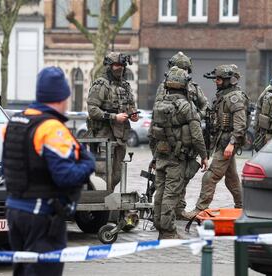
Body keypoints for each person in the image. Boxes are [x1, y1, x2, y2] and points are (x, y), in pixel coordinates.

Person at [3, 67, 95, 276]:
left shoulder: (15, 122)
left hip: (15, 212)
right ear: (60, 98)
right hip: (41, 216)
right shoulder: (51, 128)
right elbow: (65, 176)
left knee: (23, 271)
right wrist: (88, 163)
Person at [184, 64, 250, 219]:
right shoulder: (224, 95)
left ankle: (200, 209)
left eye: (219, 79)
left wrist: (232, 143)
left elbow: (240, 124)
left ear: (229, 80)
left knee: (211, 176)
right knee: (232, 179)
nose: (216, 82)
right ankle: (243, 208)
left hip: (227, 143)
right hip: (222, 142)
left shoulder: (235, 97)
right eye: (216, 79)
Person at [149, 66, 208, 239]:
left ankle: (160, 226)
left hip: (161, 155)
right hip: (177, 157)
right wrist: (203, 156)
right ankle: (168, 231)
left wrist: (154, 156)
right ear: (184, 86)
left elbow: (152, 133)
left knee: (159, 192)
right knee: (171, 193)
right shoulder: (186, 106)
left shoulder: (159, 104)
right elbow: (197, 135)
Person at [87, 52, 138, 189]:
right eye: (116, 65)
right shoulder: (101, 85)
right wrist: (114, 117)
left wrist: (133, 114)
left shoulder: (125, 86)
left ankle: (109, 200)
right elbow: (92, 110)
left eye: (122, 65)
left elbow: (131, 106)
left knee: (116, 175)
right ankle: (99, 204)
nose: (119, 68)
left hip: (120, 137)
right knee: (102, 174)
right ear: (109, 66)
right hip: (103, 136)